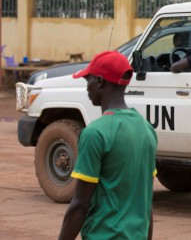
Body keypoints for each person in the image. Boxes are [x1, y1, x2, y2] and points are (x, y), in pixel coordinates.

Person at [59, 51, 157, 240]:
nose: (87, 87)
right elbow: (145, 201)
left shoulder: (94, 134)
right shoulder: (146, 130)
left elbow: (80, 204)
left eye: (88, 80)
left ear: (100, 82)